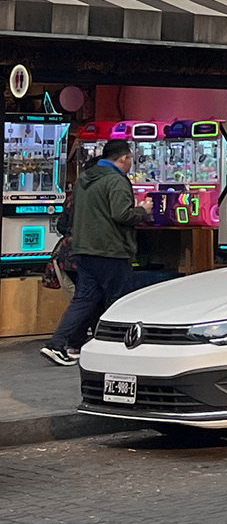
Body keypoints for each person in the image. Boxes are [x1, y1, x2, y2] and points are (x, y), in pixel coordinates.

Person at [42, 140, 167, 364]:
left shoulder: (84, 180)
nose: (131, 163)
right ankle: (116, 347)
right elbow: (122, 215)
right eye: (130, 159)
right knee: (118, 300)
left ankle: (58, 343)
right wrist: (143, 210)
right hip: (111, 250)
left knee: (84, 299)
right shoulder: (116, 181)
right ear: (124, 158)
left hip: (83, 249)